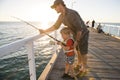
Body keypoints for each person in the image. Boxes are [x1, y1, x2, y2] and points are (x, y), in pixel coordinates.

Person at [39, 0, 89, 74]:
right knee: (78, 50)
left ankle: (84, 69)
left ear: (60, 5)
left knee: (83, 52)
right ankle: (79, 64)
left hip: (83, 33)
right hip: (75, 34)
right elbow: (55, 26)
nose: (54, 9)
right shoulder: (61, 16)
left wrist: (77, 41)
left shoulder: (72, 14)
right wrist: (44, 31)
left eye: (55, 7)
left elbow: (79, 29)